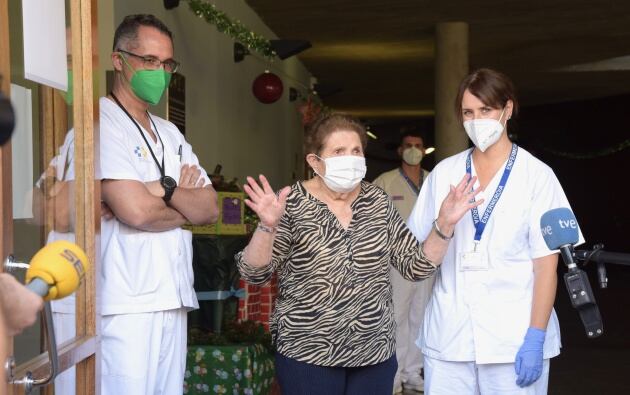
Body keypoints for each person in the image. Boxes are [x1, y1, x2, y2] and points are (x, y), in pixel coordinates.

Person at [236, 113, 484, 395]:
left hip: (374, 354)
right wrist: (267, 226)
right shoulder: (289, 202)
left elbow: (416, 266)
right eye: (339, 151)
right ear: (315, 162)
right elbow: (253, 272)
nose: (350, 158)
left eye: (356, 151)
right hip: (308, 353)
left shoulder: (376, 201)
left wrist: (445, 224)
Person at [407, 68, 583, 394]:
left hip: (513, 339)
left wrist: (535, 336)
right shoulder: (444, 174)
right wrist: (443, 222)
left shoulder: (537, 177)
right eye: (468, 112)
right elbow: (416, 258)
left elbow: (546, 265)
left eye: (486, 110)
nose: (477, 120)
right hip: (450, 339)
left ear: (508, 109)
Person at [99, 14, 218, 394]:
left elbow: (209, 209)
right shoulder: (100, 122)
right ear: (119, 59)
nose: (160, 72)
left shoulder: (170, 132)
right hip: (125, 301)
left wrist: (160, 188)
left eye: (167, 64)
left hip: (171, 295)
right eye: (149, 61)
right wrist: (180, 200)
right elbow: (135, 212)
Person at [372, 130, 434, 393]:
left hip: (428, 257)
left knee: (421, 316)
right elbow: (370, 220)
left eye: (418, 146)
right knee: (396, 316)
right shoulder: (385, 182)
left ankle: (413, 372)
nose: (413, 149)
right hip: (396, 261)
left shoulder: (434, 180)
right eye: (408, 145)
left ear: (424, 150)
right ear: (399, 150)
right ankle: (394, 374)